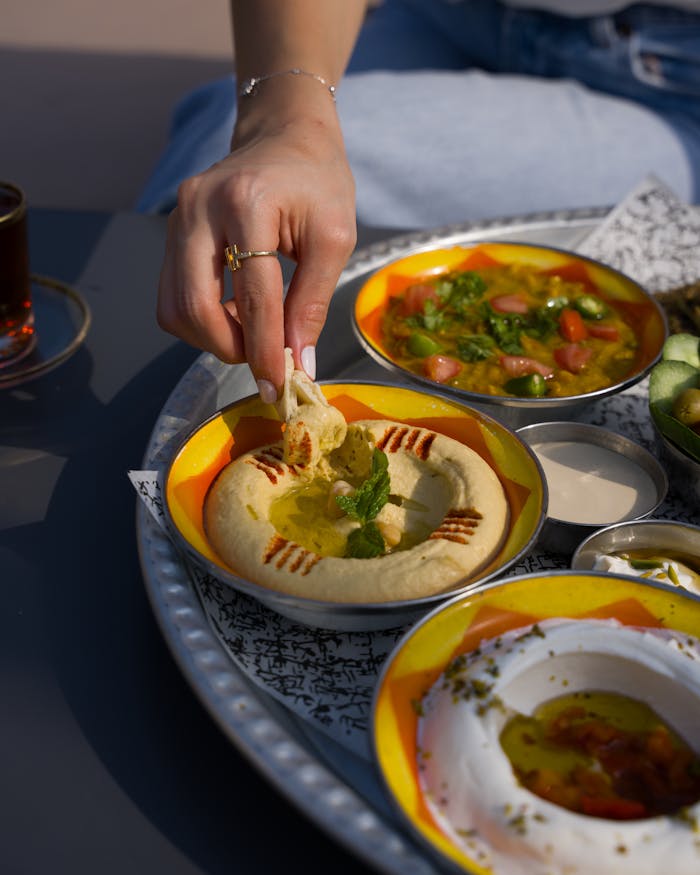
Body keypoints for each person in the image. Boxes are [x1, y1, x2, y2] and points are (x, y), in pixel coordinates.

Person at [144, 0, 700, 404]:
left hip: (675, 82)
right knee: (223, 138)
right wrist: (282, 121)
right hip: (456, 15)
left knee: (225, 149)